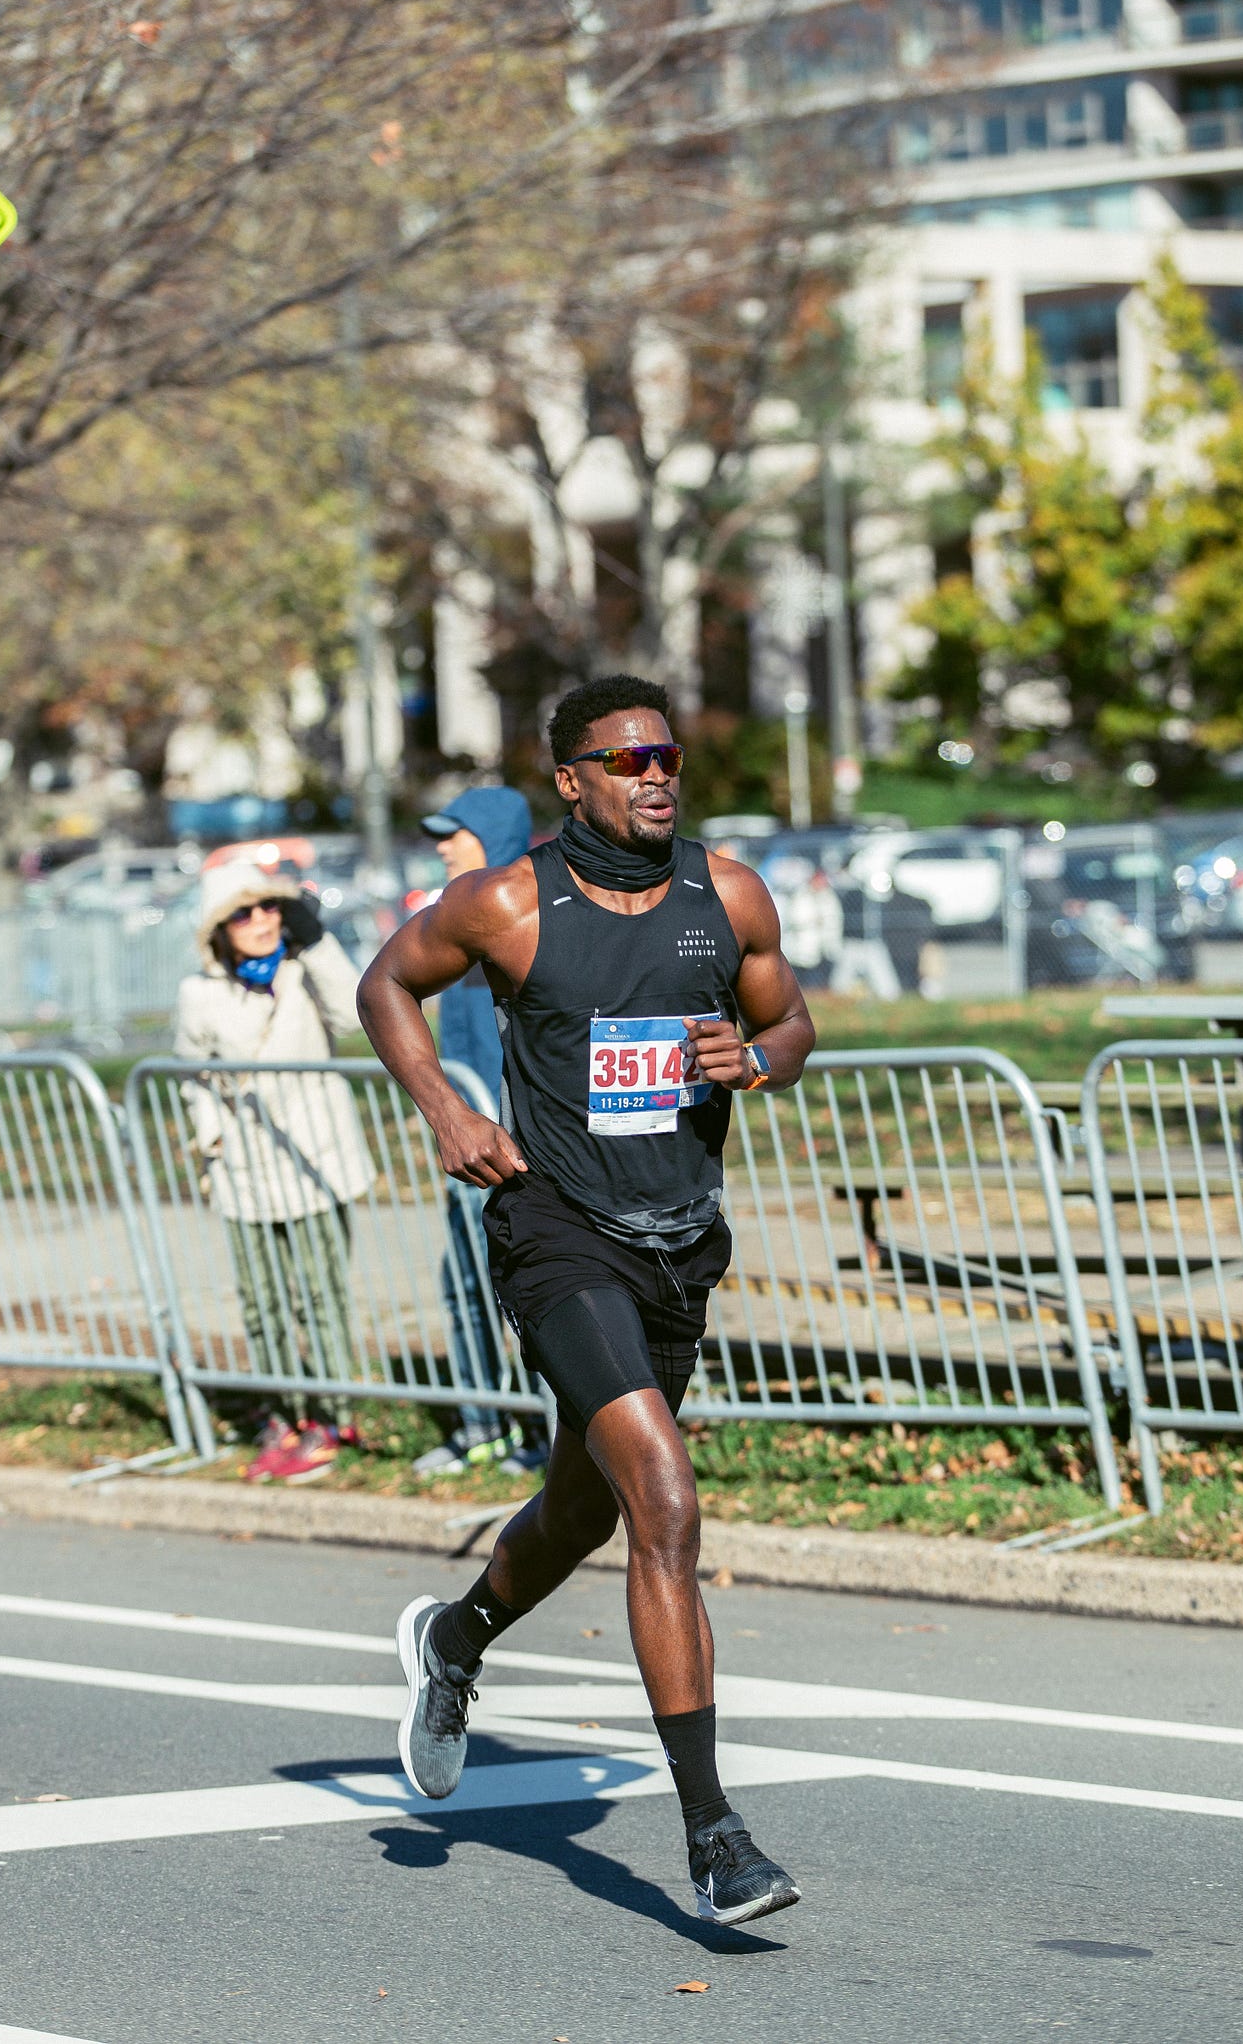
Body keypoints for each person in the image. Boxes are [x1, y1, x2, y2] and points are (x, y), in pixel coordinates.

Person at [358, 673, 815, 1926]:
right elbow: (385, 984)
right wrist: (448, 1113)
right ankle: (715, 1838)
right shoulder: (507, 903)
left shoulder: (727, 894)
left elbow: (790, 1023)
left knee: (583, 1504)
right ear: (571, 780)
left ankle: (454, 1640)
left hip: (678, 1239)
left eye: (665, 756)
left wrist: (753, 1060)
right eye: (625, 761)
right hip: (555, 1231)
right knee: (662, 1498)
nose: (654, 776)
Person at [177, 861, 374, 1483]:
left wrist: (316, 942)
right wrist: (210, 1137)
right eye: (243, 913)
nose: (261, 921)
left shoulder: (302, 970)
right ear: (219, 928)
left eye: (270, 908)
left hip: (315, 1161)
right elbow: (191, 1075)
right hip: (244, 1170)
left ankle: (331, 1417)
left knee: (321, 1296)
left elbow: (356, 1015)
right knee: (262, 1303)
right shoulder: (199, 993)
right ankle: (282, 1415)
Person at [414, 785, 538, 1477]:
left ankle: (553, 1433)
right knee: (463, 1283)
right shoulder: (450, 920)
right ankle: (482, 1426)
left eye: (453, 832)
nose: (441, 846)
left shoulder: (524, 913)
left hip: (523, 1147)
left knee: (537, 1292)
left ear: (490, 837)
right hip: (465, 1148)